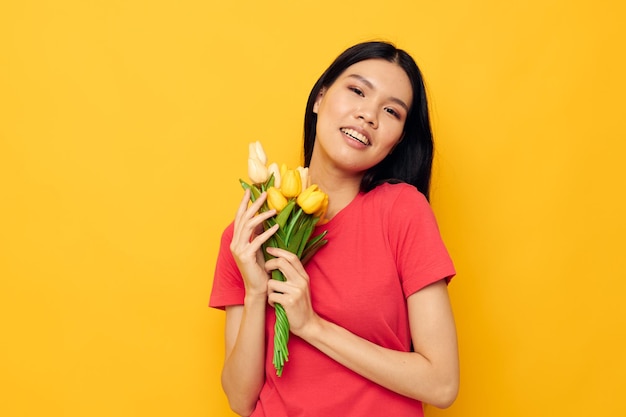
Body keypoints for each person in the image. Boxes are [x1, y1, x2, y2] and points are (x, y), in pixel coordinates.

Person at [210, 41, 459, 417]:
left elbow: (441, 384)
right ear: (320, 97)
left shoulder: (402, 212)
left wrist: (312, 326)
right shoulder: (247, 235)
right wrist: (256, 291)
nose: (369, 115)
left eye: (391, 111)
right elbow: (240, 401)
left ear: (397, 142)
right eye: (357, 91)